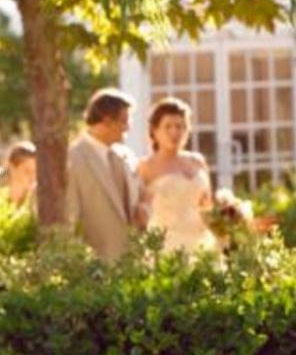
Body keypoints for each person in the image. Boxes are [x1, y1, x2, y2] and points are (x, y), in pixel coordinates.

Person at [66, 88, 145, 262]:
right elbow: (71, 218)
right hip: (95, 267)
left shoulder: (126, 156)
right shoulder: (72, 158)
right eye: (124, 121)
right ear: (107, 121)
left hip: (131, 264)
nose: (128, 127)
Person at [136, 97, 217, 252]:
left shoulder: (198, 161)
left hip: (203, 243)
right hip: (167, 246)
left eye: (180, 126)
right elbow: (138, 212)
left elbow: (207, 205)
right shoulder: (145, 166)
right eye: (168, 126)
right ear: (155, 130)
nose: (174, 132)